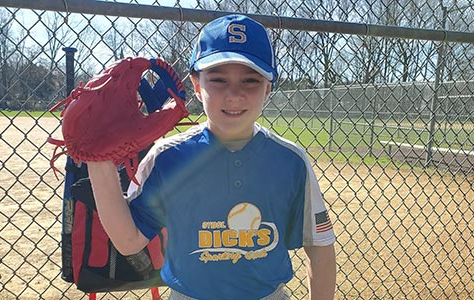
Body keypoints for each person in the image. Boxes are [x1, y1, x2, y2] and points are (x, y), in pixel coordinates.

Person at [87, 14, 336, 300]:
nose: (234, 94)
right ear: (196, 84)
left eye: (251, 80)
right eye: (218, 79)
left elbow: (319, 247)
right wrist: (98, 160)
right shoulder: (168, 157)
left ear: (268, 87)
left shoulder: (290, 160)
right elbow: (129, 241)